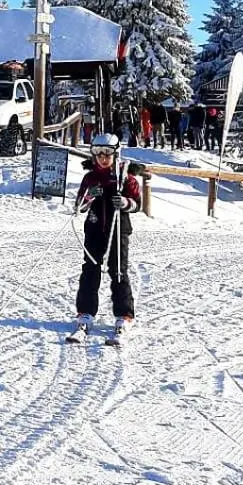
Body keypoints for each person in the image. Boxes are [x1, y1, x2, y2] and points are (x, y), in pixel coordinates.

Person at [72, 134, 141, 343]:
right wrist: (90, 195)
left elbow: (138, 203)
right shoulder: (90, 177)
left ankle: (124, 315)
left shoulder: (124, 177)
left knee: (118, 269)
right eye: (98, 153)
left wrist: (126, 203)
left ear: (115, 153)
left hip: (118, 228)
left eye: (108, 153)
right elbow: (80, 207)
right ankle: (85, 312)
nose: (103, 158)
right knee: (90, 268)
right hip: (94, 228)